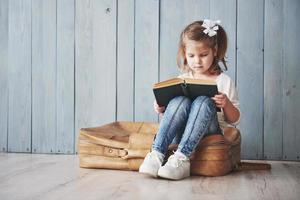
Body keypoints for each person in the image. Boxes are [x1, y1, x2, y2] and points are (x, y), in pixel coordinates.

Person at [139, 19, 241, 180]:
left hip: (210, 133)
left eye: (203, 55)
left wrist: (226, 104)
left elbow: (235, 120)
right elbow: (172, 114)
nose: (197, 61)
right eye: (191, 55)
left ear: (214, 51)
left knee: (203, 101)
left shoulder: (224, 81)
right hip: (182, 133)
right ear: (184, 53)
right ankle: (156, 153)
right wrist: (161, 107)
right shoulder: (183, 79)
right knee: (179, 100)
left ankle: (181, 158)